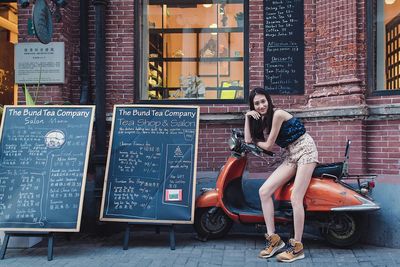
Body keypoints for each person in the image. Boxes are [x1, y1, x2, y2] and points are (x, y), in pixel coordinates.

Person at [244, 87, 318, 263]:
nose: (261, 105)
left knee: (295, 198)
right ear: (253, 106)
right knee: (264, 191)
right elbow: (248, 140)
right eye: (257, 103)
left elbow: (268, 145)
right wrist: (247, 117)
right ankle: (274, 240)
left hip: (306, 150)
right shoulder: (261, 119)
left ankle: (297, 247)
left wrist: (255, 141)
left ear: (268, 100)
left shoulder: (277, 114)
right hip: (291, 154)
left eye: (263, 101)